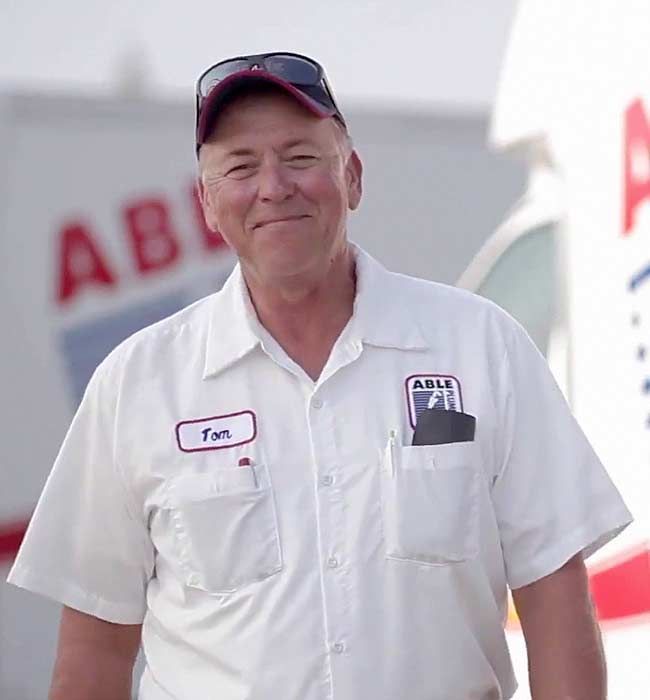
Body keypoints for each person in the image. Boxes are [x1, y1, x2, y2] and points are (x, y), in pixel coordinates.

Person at [8, 52, 633, 700]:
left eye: (301, 157)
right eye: (241, 167)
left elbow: (555, 598)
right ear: (208, 204)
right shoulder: (136, 387)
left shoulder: (481, 348)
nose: (274, 186)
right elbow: (92, 656)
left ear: (353, 177)